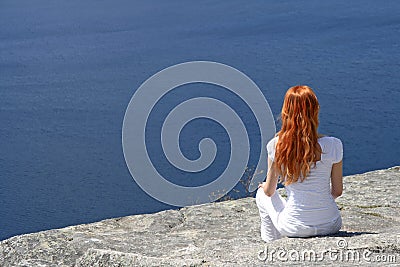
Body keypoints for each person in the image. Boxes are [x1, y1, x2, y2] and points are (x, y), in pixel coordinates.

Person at [256, 85, 343, 242]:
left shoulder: (276, 146)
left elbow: (270, 191)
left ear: (286, 112)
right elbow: (337, 191)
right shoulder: (334, 144)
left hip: (294, 227)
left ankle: (271, 244)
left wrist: (264, 187)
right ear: (315, 110)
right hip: (331, 223)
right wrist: (317, 204)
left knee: (262, 193)